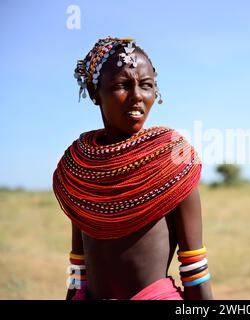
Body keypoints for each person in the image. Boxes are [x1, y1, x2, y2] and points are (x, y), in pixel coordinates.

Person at [52, 37, 213, 300]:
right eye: (122, 85)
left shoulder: (172, 159)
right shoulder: (81, 167)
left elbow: (194, 269)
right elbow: (79, 267)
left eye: (146, 85)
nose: (137, 96)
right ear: (95, 93)